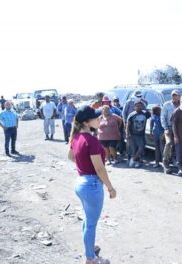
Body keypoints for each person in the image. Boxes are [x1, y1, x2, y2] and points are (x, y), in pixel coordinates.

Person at [68, 105, 116, 264]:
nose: (99, 119)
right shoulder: (92, 140)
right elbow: (99, 168)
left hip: (81, 182)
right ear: (87, 122)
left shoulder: (75, 137)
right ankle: (90, 259)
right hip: (92, 184)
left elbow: (71, 156)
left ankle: (90, 250)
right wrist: (110, 187)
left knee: (88, 221)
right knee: (91, 224)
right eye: (96, 117)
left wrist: (83, 164)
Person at [126, 99, 150, 168]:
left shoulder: (145, 113)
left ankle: (133, 159)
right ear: (134, 107)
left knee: (141, 148)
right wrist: (127, 134)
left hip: (141, 135)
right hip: (133, 134)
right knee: (134, 149)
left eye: (140, 106)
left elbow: (152, 115)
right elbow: (128, 125)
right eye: (137, 106)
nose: (139, 107)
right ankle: (137, 162)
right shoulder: (131, 115)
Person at [161, 89, 180, 174]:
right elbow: (163, 117)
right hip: (168, 127)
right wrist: (165, 128)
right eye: (173, 95)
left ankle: (175, 160)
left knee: (177, 145)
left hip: (179, 129)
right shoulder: (167, 105)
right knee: (168, 143)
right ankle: (165, 163)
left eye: (176, 95)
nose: (175, 97)